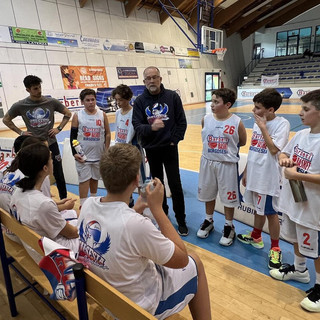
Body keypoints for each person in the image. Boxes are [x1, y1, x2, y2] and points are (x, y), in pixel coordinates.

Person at [77, 143, 211, 320]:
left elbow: (117, 227)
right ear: (136, 179)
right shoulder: (136, 225)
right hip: (141, 306)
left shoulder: (87, 205)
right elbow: (182, 260)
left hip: (110, 296)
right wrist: (158, 210)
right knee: (196, 262)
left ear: (103, 175)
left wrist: (137, 207)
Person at [269, 90, 320, 312]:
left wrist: (297, 175)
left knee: (317, 250)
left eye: (306, 109)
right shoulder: (301, 135)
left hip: (314, 210)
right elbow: (282, 153)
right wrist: (285, 160)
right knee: (296, 239)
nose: (300, 113)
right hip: (293, 203)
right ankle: (300, 271)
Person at [237, 88, 290, 269]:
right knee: (258, 209)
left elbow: (274, 149)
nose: (254, 110)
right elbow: (254, 148)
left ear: (271, 110)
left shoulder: (282, 124)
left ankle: (275, 247)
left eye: (258, 107)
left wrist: (263, 128)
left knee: (270, 213)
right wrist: (246, 171)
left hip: (268, 177)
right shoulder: (260, 122)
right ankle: (256, 236)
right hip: (254, 173)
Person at [132, 66, 188, 236]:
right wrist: (151, 128)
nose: (151, 81)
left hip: (170, 148)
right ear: (144, 82)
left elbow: (181, 122)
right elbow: (137, 125)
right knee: (158, 186)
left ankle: (181, 220)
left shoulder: (172, 97)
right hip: (152, 150)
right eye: (148, 78)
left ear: (160, 79)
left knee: (175, 185)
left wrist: (174, 140)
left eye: (154, 77)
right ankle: (163, 216)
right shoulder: (140, 101)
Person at [2, 75, 70, 200]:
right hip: (34, 146)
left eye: (39, 87)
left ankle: (63, 199)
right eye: (35, 88)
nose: (39, 91)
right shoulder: (21, 105)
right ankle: (39, 199)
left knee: (58, 173)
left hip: (51, 143)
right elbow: (6, 119)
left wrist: (59, 128)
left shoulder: (51, 102)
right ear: (28, 90)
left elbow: (68, 113)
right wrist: (20, 132)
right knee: (35, 174)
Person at [10, 143, 79, 262]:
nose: (53, 161)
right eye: (50, 159)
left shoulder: (18, 190)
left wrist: (57, 205)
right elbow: (72, 234)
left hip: (33, 245)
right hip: (50, 254)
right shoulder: (43, 204)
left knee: (73, 215)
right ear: (45, 168)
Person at [197, 89, 247, 246]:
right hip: (208, 162)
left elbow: (243, 141)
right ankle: (208, 220)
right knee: (208, 193)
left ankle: (228, 225)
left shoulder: (237, 121)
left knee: (228, 198)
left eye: (216, 102)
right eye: (211, 101)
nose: (212, 105)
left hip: (227, 165)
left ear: (227, 104)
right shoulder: (206, 119)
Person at [70, 89, 111, 207]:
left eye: (93, 99)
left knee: (94, 178)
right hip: (83, 156)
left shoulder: (102, 114)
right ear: (82, 102)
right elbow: (73, 136)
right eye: (87, 100)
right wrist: (74, 153)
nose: (91, 102)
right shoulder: (78, 115)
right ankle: (83, 204)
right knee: (83, 180)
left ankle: (92, 201)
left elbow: (107, 133)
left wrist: (106, 149)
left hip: (99, 155)